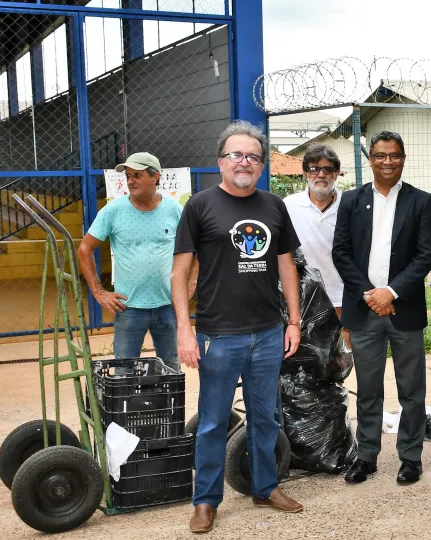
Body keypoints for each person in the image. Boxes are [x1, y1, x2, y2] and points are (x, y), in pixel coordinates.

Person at [172, 120, 305, 534]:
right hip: (218, 336)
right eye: (236, 155)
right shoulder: (200, 206)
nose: (244, 162)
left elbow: (287, 266)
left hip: (268, 333)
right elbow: (179, 274)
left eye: (252, 156)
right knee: (212, 421)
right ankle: (206, 501)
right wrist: (184, 329)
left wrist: (295, 321)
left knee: (266, 418)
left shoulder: (273, 206)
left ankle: (266, 487)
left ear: (261, 165)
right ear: (221, 161)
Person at [332, 131, 431, 485]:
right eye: (380, 155)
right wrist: (370, 295)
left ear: (403, 158)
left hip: (403, 310)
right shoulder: (350, 200)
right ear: (370, 159)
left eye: (394, 155)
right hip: (364, 311)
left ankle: (410, 457)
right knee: (369, 388)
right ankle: (366, 456)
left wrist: (391, 292)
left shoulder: (421, 201)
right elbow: (341, 253)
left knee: (412, 390)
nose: (387, 161)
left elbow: (424, 256)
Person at [76, 152, 188, 373]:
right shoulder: (113, 211)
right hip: (129, 307)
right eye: (128, 176)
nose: (130, 181)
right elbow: (84, 249)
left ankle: (164, 409)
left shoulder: (174, 210)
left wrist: (190, 285)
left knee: (170, 368)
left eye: (137, 175)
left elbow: (193, 250)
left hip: (167, 305)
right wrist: (99, 292)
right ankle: (128, 408)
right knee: (124, 371)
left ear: (155, 177)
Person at [283, 144, 345, 317]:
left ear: (336, 173)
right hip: (302, 298)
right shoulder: (288, 205)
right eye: (314, 169)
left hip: (343, 297)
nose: (321, 174)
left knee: (347, 344)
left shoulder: (349, 205)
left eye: (327, 169)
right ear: (305, 173)